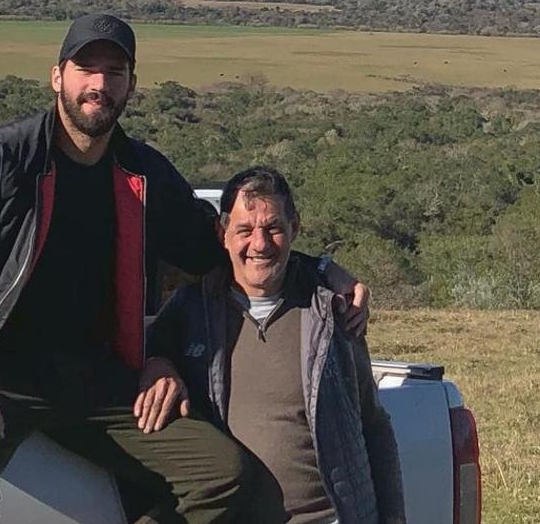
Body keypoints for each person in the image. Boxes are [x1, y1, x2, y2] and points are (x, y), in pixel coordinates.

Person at [0, 13, 367, 523]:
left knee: (223, 475)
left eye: (113, 73)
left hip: (95, 383)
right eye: (85, 69)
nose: (99, 84)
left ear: (130, 86)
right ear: (57, 76)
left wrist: (316, 267)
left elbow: (222, 249)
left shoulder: (142, 173)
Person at [146, 166, 405, 524]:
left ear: (294, 228)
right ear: (222, 234)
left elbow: (373, 425)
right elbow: (141, 354)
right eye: (245, 230)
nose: (260, 244)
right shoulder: (189, 311)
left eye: (274, 229)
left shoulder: (332, 313)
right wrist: (157, 361)